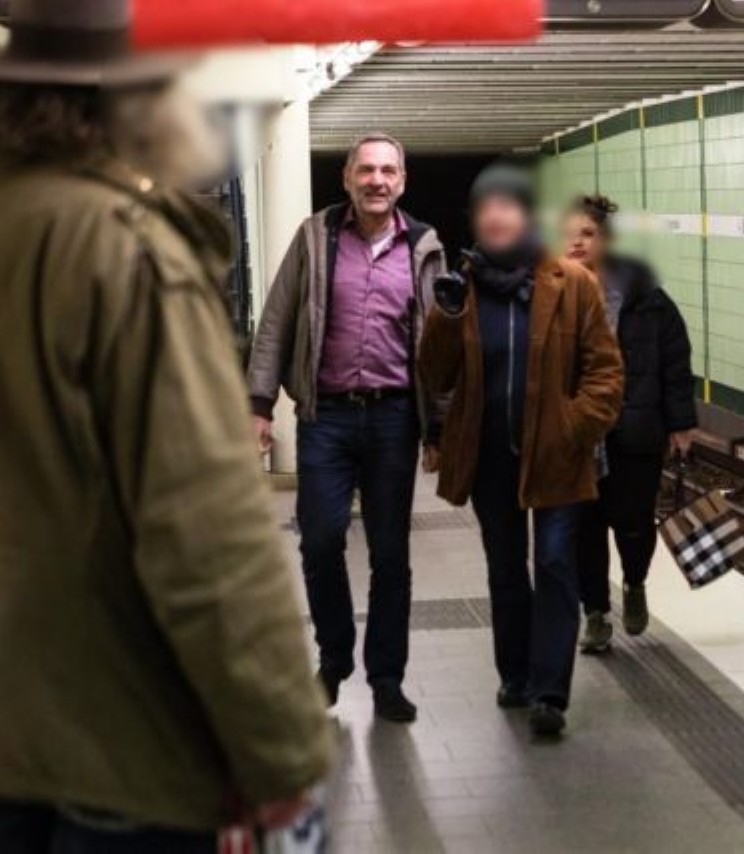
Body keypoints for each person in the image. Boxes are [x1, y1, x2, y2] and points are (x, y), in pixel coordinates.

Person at [0, 1, 333, 850]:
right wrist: (284, 751)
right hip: (108, 746)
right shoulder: (127, 253)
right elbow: (203, 536)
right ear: (141, 100)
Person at [247, 133, 448, 724]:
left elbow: (442, 345)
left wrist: (437, 427)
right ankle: (333, 660)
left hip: (393, 418)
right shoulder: (315, 237)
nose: (376, 181)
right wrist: (259, 403)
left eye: (387, 171)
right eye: (366, 170)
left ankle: (387, 678)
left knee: (390, 553)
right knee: (320, 539)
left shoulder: (425, 247)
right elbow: (276, 320)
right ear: (347, 178)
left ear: (402, 181)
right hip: (327, 416)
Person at [419, 163, 623, 737]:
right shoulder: (464, 286)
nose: (496, 217)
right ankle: (515, 674)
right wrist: (446, 315)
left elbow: (606, 373)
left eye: (507, 206)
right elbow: (434, 375)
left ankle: (549, 693)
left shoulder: (571, 284)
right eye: (486, 209)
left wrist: (572, 427)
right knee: (506, 567)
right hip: (489, 456)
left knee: (555, 563)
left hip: (557, 454)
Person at [562, 195, 699, 653]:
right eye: (569, 235)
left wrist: (681, 423)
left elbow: (675, 362)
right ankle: (596, 614)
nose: (577, 243)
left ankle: (635, 582)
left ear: (606, 239)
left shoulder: (647, 298)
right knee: (585, 529)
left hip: (634, 430)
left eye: (587, 233)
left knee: (635, 523)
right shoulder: (550, 295)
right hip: (578, 437)